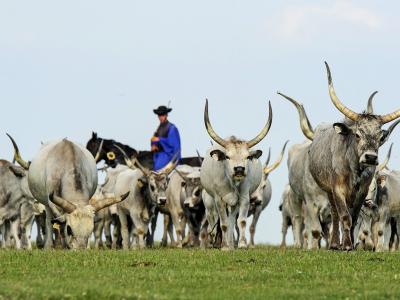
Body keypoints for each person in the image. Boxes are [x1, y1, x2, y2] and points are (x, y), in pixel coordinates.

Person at [151, 105, 181, 171]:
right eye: (159, 115)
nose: (160, 117)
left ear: (166, 115)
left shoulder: (172, 128)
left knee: (158, 167)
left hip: (168, 155)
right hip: (157, 155)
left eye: (162, 115)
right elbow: (154, 140)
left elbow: (173, 145)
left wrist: (160, 139)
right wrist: (154, 145)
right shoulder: (159, 128)